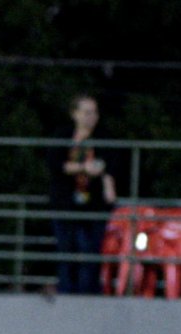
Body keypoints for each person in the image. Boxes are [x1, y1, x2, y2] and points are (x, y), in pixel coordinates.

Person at [48, 94, 117, 296]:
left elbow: (112, 165)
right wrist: (83, 167)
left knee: (91, 252)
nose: (91, 117)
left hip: (94, 206)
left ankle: (88, 295)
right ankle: (66, 294)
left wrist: (106, 179)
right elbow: (55, 165)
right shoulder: (62, 136)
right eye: (86, 112)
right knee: (66, 250)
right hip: (66, 204)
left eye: (94, 112)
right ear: (74, 114)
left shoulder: (104, 138)